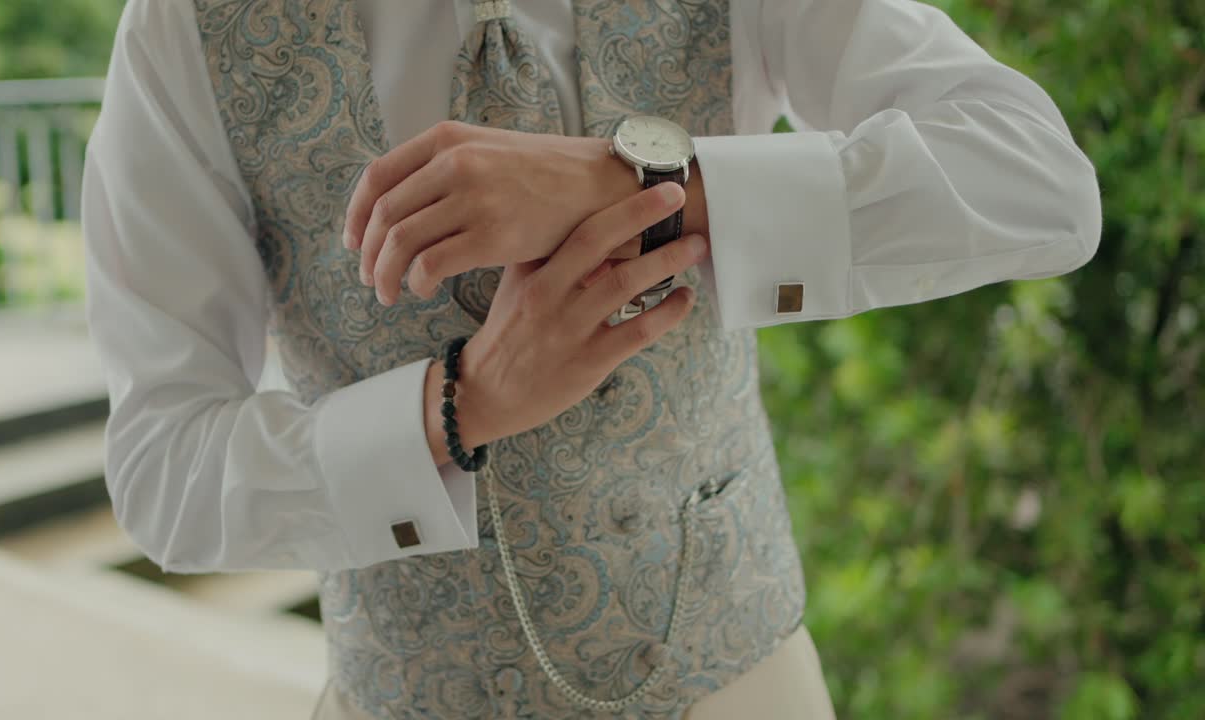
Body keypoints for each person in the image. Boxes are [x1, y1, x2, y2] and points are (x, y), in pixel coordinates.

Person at [81, 1, 1101, 718]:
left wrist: (636, 183)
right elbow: (162, 468)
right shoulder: (187, 25)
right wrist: (455, 408)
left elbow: (1033, 179)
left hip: (736, 686)